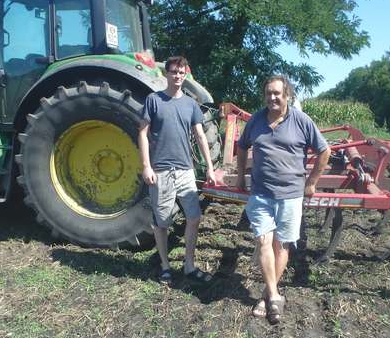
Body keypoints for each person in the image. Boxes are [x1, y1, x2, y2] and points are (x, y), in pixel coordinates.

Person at [236, 75, 331, 324]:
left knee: (282, 245)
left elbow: (325, 150)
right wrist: (239, 176)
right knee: (263, 241)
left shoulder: (301, 120)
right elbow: (242, 146)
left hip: (290, 196)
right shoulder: (256, 120)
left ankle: (267, 295)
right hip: (261, 194)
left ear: (287, 95)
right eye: (268, 93)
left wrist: (311, 182)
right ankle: (276, 296)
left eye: (277, 93)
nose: (272, 97)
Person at [138, 56, 217, 286]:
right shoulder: (154, 100)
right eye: (174, 72)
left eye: (182, 72)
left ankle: (189, 265)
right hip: (161, 171)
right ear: (167, 74)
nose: (178, 76)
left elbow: (201, 136)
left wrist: (210, 167)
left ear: (185, 74)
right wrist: (146, 166)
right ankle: (165, 266)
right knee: (162, 223)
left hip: (185, 170)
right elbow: (142, 133)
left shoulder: (191, 104)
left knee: (194, 217)